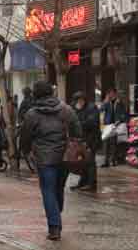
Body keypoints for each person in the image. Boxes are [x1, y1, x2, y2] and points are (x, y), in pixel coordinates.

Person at [20, 81, 81, 241]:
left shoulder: (32, 114)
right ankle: (56, 213)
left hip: (44, 158)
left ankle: (54, 227)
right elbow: (77, 130)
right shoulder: (66, 109)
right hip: (64, 156)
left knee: (48, 190)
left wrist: (25, 151)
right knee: (58, 188)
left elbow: (25, 136)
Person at [70, 91, 100, 191]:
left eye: (81, 100)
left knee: (90, 161)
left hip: (91, 139)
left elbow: (91, 122)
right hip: (80, 139)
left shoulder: (92, 108)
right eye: (77, 101)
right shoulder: (74, 107)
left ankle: (92, 184)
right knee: (82, 161)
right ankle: (83, 182)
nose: (79, 103)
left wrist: (77, 124)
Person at [101, 88, 127, 168]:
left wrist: (119, 120)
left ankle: (113, 160)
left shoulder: (119, 102)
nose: (111, 95)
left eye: (112, 93)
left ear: (115, 94)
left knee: (113, 143)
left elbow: (124, 113)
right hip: (107, 125)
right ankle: (106, 161)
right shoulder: (106, 103)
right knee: (106, 144)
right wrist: (105, 101)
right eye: (109, 93)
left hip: (116, 125)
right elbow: (101, 110)